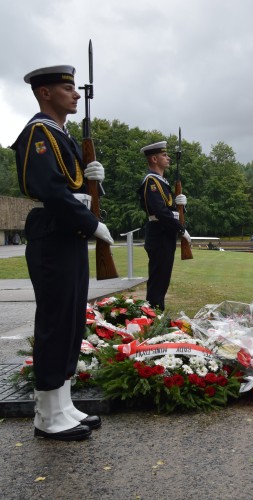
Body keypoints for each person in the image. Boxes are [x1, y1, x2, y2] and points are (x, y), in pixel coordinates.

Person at [11, 65, 114, 441]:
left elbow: (68, 184)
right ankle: (46, 415)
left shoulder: (61, 135)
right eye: (66, 88)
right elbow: (51, 190)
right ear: (45, 93)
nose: (74, 94)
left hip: (67, 235)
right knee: (56, 323)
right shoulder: (38, 133)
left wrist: (91, 179)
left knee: (71, 322)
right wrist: (91, 223)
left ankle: (61, 404)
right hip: (54, 234)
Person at [138, 141, 190, 312]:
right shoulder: (151, 181)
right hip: (159, 234)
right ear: (154, 158)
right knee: (158, 280)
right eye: (164, 155)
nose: (168, 158)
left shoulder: (161, 181)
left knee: (163, 279)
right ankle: (153, 315)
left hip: (165, 234)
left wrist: (180, 205)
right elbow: (160, 211)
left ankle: (157, 313)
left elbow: (168, 209)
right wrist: (181, 229)